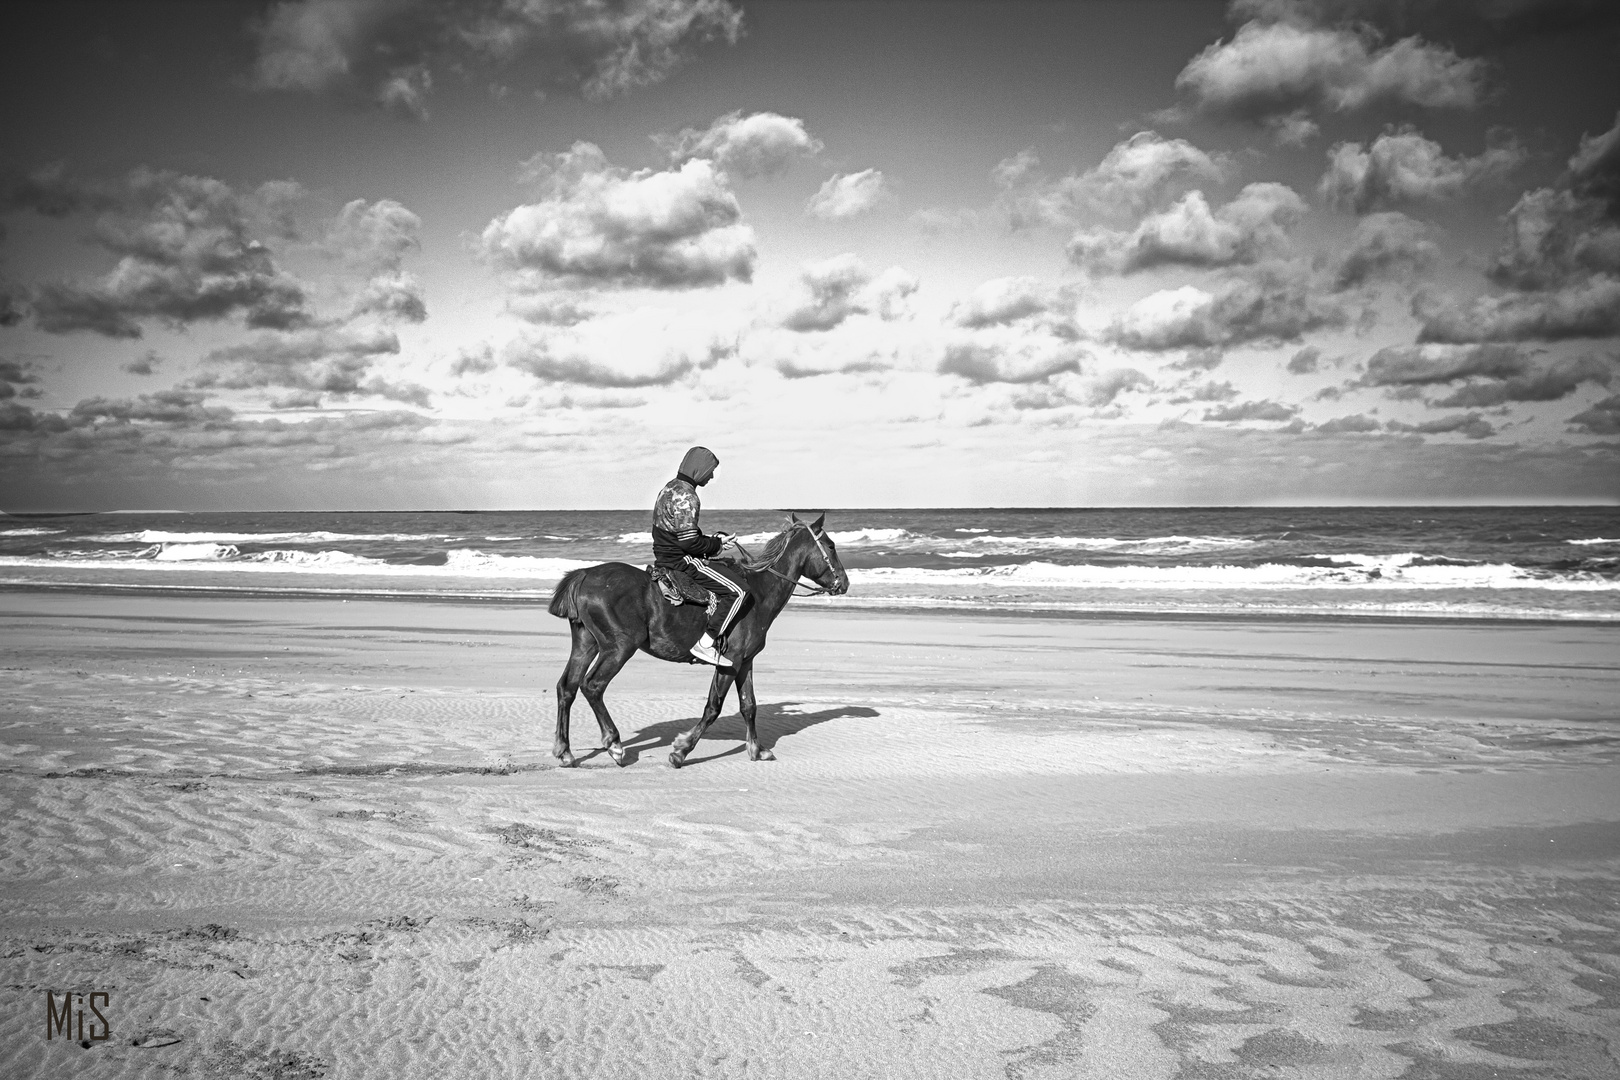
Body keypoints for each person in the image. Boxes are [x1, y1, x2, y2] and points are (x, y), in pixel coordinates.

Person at [652, 446, 743, 667]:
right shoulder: (687, 496)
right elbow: (689, 543)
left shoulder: (668, 489)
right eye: (709, 471)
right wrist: (715, 545)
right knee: (738, 592)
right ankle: (706, 643)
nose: (711, 476)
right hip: (681, 561)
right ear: (698, 468)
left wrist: (714, 541)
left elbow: (682, 533)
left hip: (664, 555)